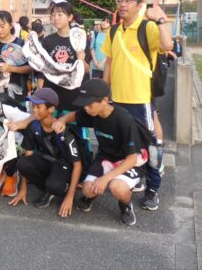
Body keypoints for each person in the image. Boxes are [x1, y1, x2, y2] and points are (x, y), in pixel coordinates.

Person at [102, 0, 172, 211]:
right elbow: (109, 63)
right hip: (117, 100)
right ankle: (131, 180)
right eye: (120, 0)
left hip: (141, 100)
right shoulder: (114, 31)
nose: (123, 4)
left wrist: (160, 20)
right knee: (124, 145)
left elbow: (167, 45)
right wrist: (104, 92)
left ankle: (153, 188)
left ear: (139, 5)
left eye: (128, 1)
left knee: (151, 146)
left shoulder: (148, 27)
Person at [52, 79, 148, 226]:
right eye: (84, 104)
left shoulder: (124, 120)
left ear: (104, 101)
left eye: (89, 104)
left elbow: (132, 159)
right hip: (105, 158)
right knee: (87, 190)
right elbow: (74, 115)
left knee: (117, 187)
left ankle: (125, 206)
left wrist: (105, 179)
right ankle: (92, 195)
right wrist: (62, 120)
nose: (86, 108)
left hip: (129, 161)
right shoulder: (91, 112)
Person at [8, 88, 83, 218]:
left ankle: (62, 188)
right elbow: (28, 154)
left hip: (64, 165)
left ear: (51, 109)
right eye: (33, 106)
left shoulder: (64, 131)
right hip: (47, 160)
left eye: (38, 107)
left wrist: (70, 196)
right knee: (22, 163)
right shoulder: (34, 126)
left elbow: (78, 165)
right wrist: (23, 189)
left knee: (54, 186)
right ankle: (49, 189)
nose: (34, 110)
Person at [38, 0, 89, 114]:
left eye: (60, 15)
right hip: (52, 94)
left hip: (73, 94)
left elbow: (87, 70)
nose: (56, 18)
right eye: (53, 15)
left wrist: (81, 59)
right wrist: (40, 83)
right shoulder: (47, 40)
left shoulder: (80, 39)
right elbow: (42, 67)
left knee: (71, 123)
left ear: (70, 17)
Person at [0, 11, 31, 104]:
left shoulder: (20, 44)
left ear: (11, 25)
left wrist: (10, 68)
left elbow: (29, 68)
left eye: (2, 26)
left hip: (17, 94)